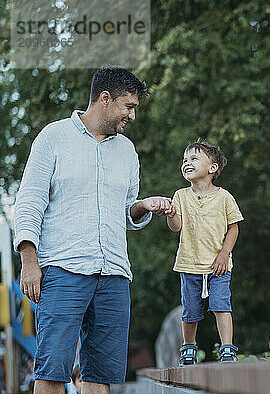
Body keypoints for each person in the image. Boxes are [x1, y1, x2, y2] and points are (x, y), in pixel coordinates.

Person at [13, 66, 173, 394]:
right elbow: (29, 202)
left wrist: (143, 206)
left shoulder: (127, 151)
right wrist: (29, 260)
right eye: (128, 106)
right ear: (104, 99)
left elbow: (126, 212)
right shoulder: (53, 138)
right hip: (62, 270)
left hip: (113, 273)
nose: (132, 115)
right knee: (52, 372)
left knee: (100, 376)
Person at [166, 141, 243, 364]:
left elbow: (233, 227)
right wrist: (171, 213)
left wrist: (224, 253)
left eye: (193, 159)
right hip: (189, 264)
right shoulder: (181, 195)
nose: (186, 163)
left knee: (221, 305)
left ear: (212, 168)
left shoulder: (224, 197)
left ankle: (227, 348)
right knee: (190, 311)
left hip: (218, 266)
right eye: (184, 160)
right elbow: (176, 226)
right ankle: (188, 347)